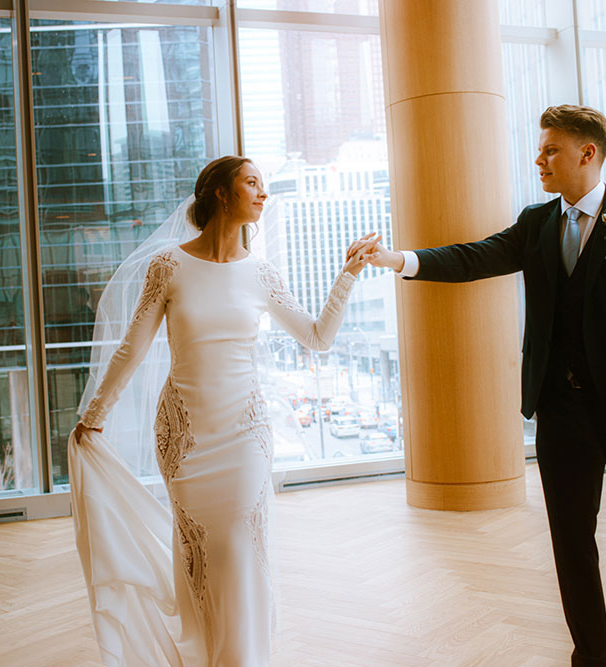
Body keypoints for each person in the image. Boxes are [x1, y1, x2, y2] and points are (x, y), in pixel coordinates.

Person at [362, 105, 606, 667]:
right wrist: (399, 260)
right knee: (571, 546)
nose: (539, 159)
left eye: (551, 149)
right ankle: (590, 656)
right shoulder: (536, 222)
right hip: (560, 415)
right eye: (540, 149)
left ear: (588, 153)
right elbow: (475, 256)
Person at [69, 155, 379, 666]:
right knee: (199, 555)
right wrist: (96, 413)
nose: (263, 193)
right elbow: (132, 348)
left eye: (264, 185)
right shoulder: (168, 265)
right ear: (220, 193)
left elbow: (317, 338)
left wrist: (347, 274)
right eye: (252, 183)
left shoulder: (261, 272)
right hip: (184, 435)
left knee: (238, 548)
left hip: (244, 434)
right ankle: (205, 653)